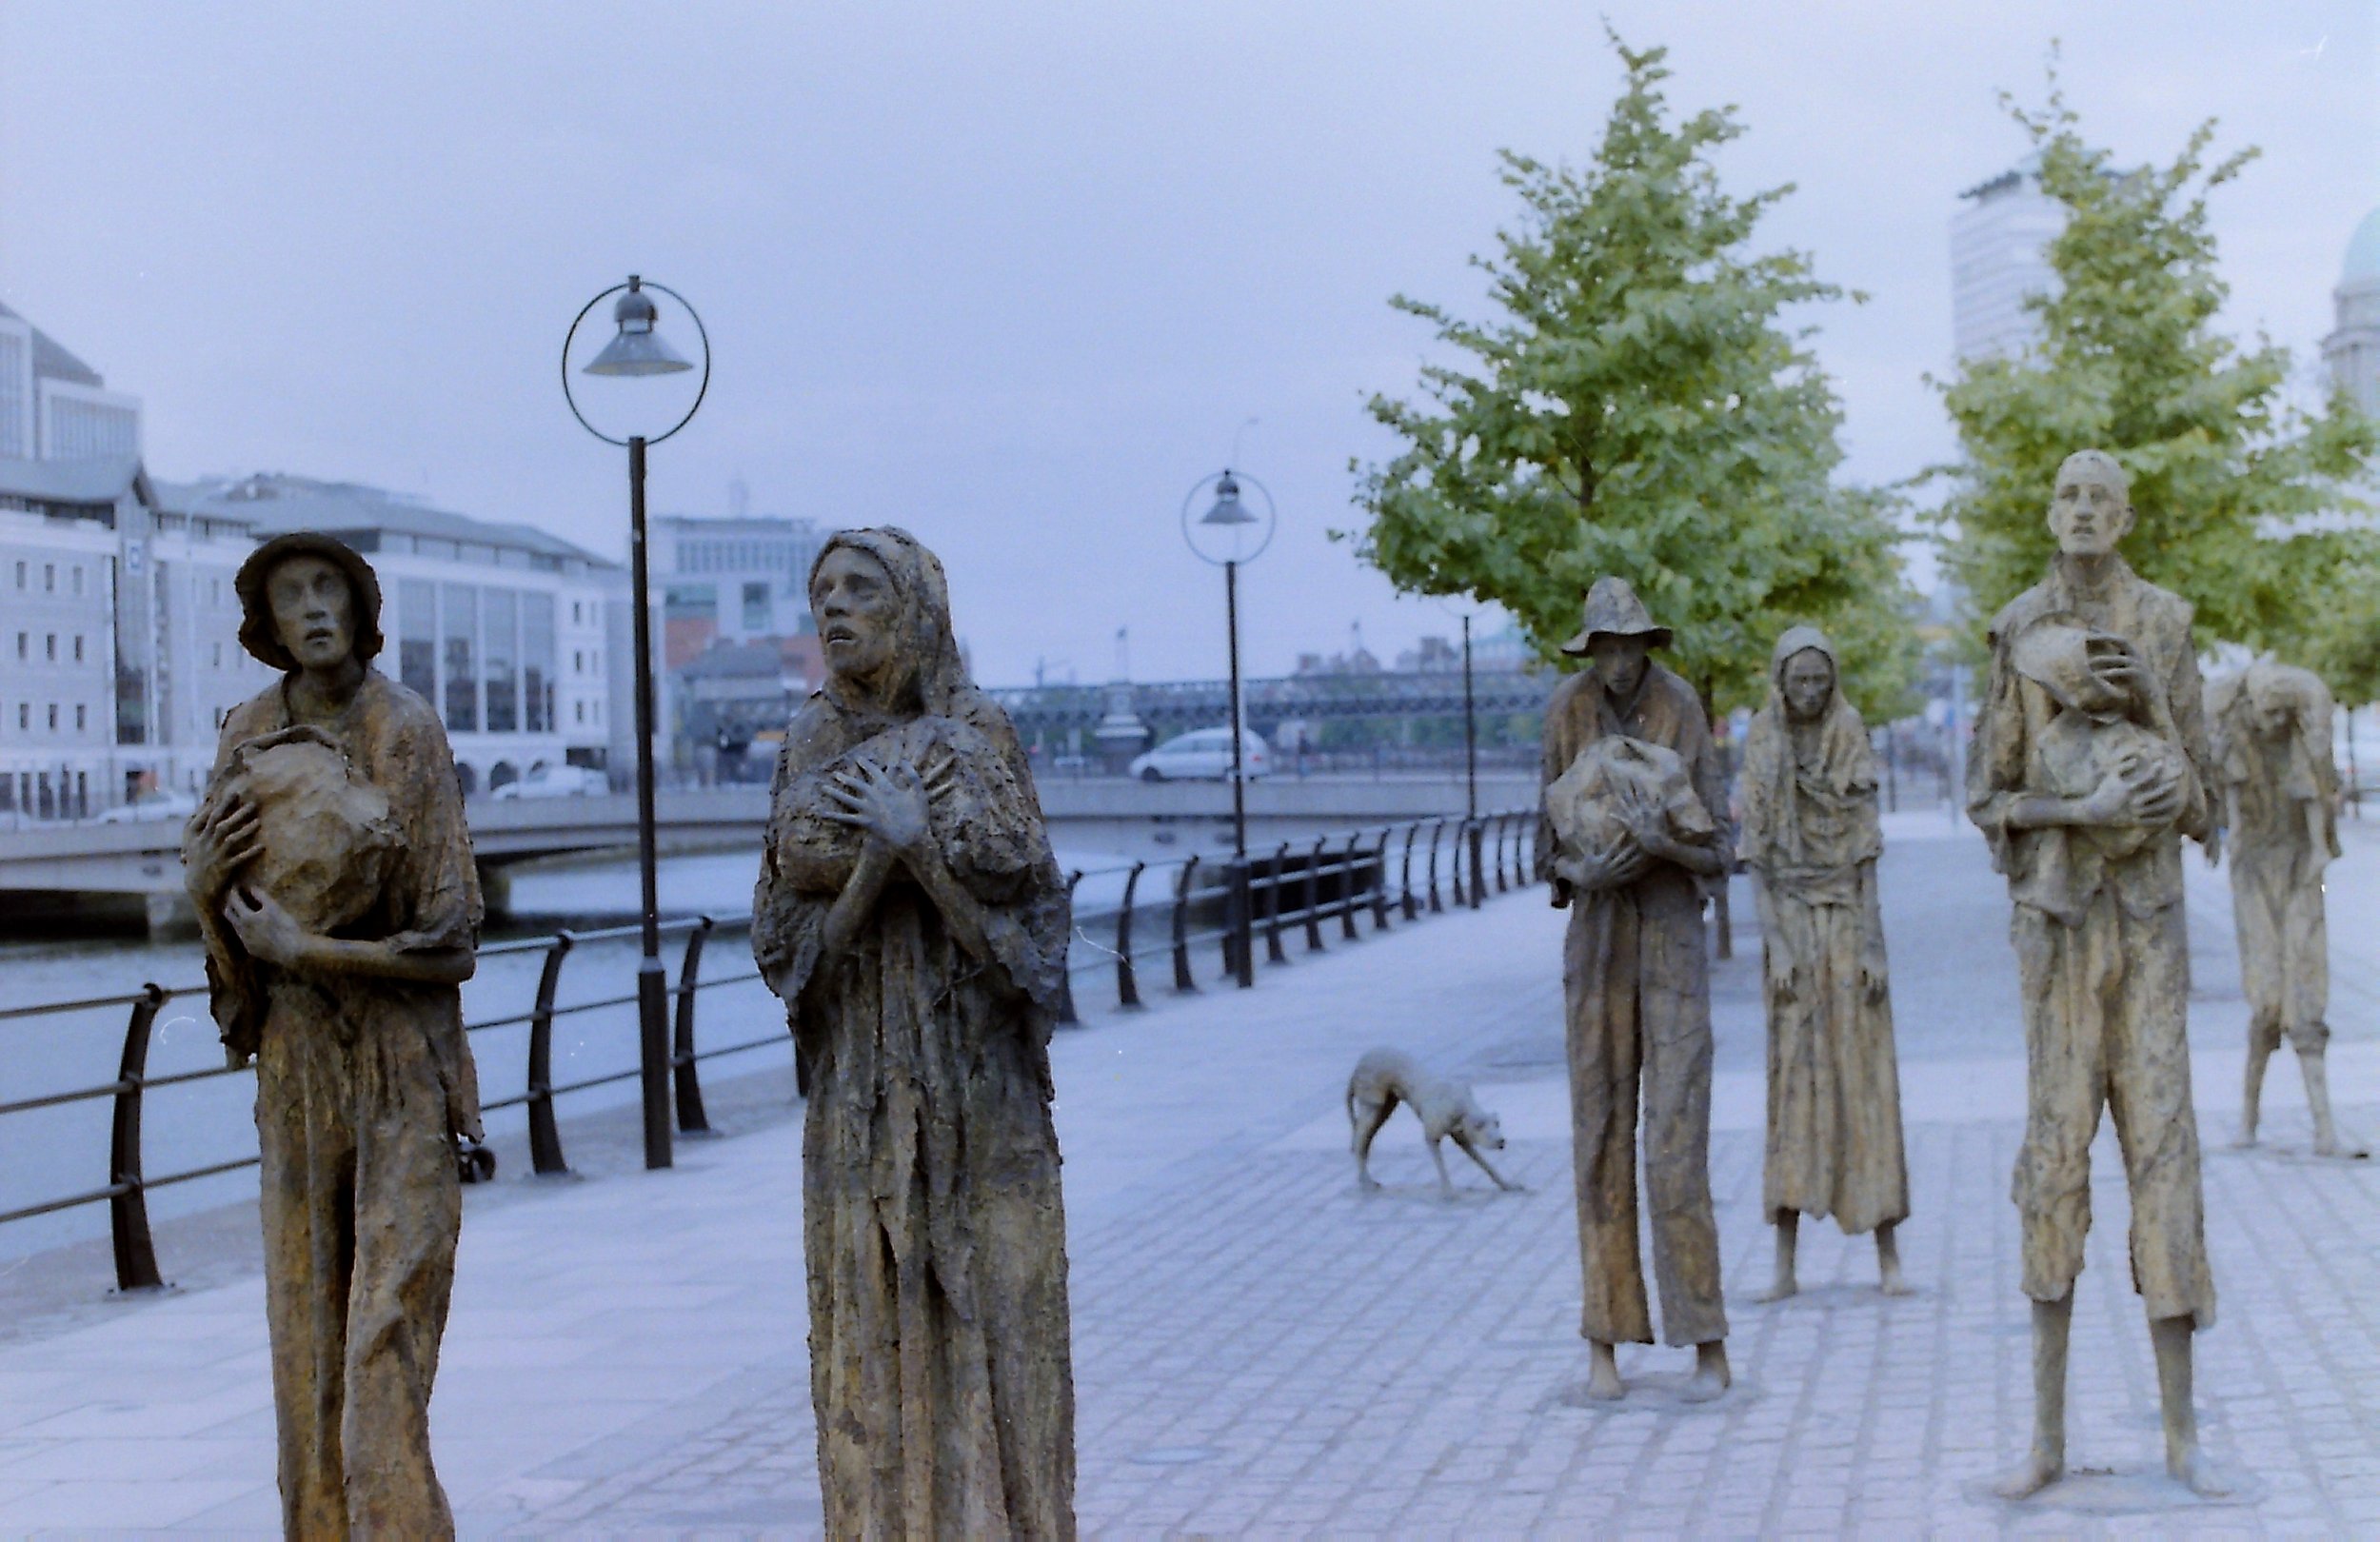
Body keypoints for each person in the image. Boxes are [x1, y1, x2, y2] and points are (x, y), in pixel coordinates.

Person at [753, 527, 1076, 1537]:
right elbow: (786, 948)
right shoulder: (810, 741)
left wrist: (923, 856)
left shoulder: (980, 732)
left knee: (1001, 1330)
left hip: (980, 1097)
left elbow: (1030, 957)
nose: (834, 608)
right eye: (823, 592)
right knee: (871, 1340)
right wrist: (872, 864)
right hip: (862, 1092)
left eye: (859, 588)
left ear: (917, 608)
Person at [182, 532, 481, 1538]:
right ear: (264, 626)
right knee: (306, 1360)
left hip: (399, 1066)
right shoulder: (246, 732)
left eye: (328, 589)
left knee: (382, 1353)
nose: (311, 609)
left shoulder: (407, 731)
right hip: (299, 1071)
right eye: (289, 596)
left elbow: (450, 946)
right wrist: (201, 890)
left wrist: (310, 950)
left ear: (360, 607)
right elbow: (231, 925)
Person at [1967, 448, 2223, 1499]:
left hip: (2150, 929)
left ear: (2123, 516)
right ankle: (2043, 1442)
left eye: (2097, 498)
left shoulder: (2163, 620)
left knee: (2165, 1156)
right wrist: (2080, 814)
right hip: (2060, 932)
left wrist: (2164, 782)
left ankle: (2180, 1438)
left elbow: (2207, 796)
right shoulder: (2018, 627)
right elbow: (1990, 798)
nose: (2080, 511)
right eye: (2064, 495)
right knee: (2053, 1159)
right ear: (2049, 512)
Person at [1535, 575, 1731, 1403]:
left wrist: (1663, 844)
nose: (1617, 663)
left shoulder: (1682, 706)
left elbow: (1720, 847)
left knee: (1677, 1143)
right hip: (1599, 940)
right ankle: (1604, 1341)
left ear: (1648, 646)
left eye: (1629, 647)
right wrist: (1584, 866)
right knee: (1601, 1137)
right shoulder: (1565, 713)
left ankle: (1707, 1340)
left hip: (1673, 936)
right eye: (1604, 648)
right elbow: (1543, 846)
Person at [1737, 626, 1910, 1301]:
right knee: (1795, 1086)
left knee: (1866, 1083)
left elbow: (1866, 852)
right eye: (1797, 680)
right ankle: (1784, 1261)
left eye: (1819, 680)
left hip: (1846, 924)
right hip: (1792, 932)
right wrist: (1775, 942)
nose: (1809, 693)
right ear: (1780, 681)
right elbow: (1757, 854)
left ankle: (1887, 1252)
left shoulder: (1850, 732)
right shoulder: (1763, 738)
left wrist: (1872, 944)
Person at [2209, 661, 2357, 1156]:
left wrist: (2316, 852)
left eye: (2281, 713)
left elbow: (2314, 800)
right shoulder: (2234, 743)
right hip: (2255, 875)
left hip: (2297, 873)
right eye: (2265, 711)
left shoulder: (2298, 745)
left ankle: (2324, 1129)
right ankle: (2249, 1119)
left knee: (2307, 993)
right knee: (2267, 998)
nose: (2272, 721)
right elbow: (2231, 818)